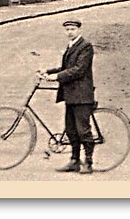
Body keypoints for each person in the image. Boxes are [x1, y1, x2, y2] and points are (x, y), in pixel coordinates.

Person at [40, 19, 96, 174]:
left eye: (72, 29)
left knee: (83, 130)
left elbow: (78, 70)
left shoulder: (86, 46)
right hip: (71, 94)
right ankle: (74, 161)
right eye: (67, 30)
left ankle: (88, 162)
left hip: (82, 95)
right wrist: (49, 71)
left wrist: (56, 77)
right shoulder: (70, 46)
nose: (70, 32)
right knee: (71, 130)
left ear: (79, 30)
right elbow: (66, 68)